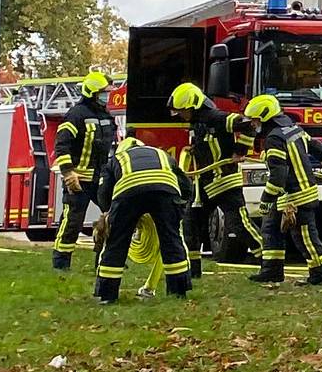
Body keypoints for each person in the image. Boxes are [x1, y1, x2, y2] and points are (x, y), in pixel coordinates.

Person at [89, 134, 191, 304]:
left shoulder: (117, 159)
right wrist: (178, 210)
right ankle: (178, 292)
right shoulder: (162, 154)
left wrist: (109, 213)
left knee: (117, 243)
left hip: (129, 192)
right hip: (165, 190)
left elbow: (104, 191)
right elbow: (185, 184)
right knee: (171, 240)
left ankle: (107, 294)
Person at [246, 95, 322, 287]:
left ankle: (320, 274)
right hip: (288, 195)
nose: (253, 124)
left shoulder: (274, 138)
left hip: (296, 195)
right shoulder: (293, 128)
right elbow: (317, 147)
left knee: (304, 236)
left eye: (255, 120)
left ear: (265, 117)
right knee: (270, 230)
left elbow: (279, 173)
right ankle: (272, 271)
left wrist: (267, 198)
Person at [176, 87, 253, 276]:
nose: (180, 115)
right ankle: (193, 271)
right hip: (204, 184)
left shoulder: (216, 117)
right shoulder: (198, 122)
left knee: (240, 226)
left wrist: (240, 150)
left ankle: (271, 265)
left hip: (225, 181)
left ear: (192, 106)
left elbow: (249, 125)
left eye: (182, 111)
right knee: (190, 224)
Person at [50, 72, 122, 270]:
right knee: (72, 221)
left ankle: (107, 260)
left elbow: (113, 146)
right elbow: (61, 146)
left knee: (114, 216)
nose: (106, 96)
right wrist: (68, 173)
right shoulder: (76, 115)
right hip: (78, 179)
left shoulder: (106, 115)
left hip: (102, 178)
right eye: (103, 92)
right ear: (92, 93)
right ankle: (60, 264)